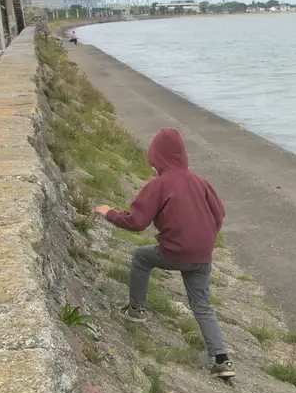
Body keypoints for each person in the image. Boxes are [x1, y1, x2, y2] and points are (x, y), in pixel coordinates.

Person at [95, 127, 235, 379]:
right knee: (202, 305)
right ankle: (221, 359)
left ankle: (136, 310)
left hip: (173, 252)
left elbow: (136, 222)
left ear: (156, 157)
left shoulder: (159, 184)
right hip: (203, 255)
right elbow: (219, 215)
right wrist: (205, 238)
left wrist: (109, 213)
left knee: (141, 257)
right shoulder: (200, 182)